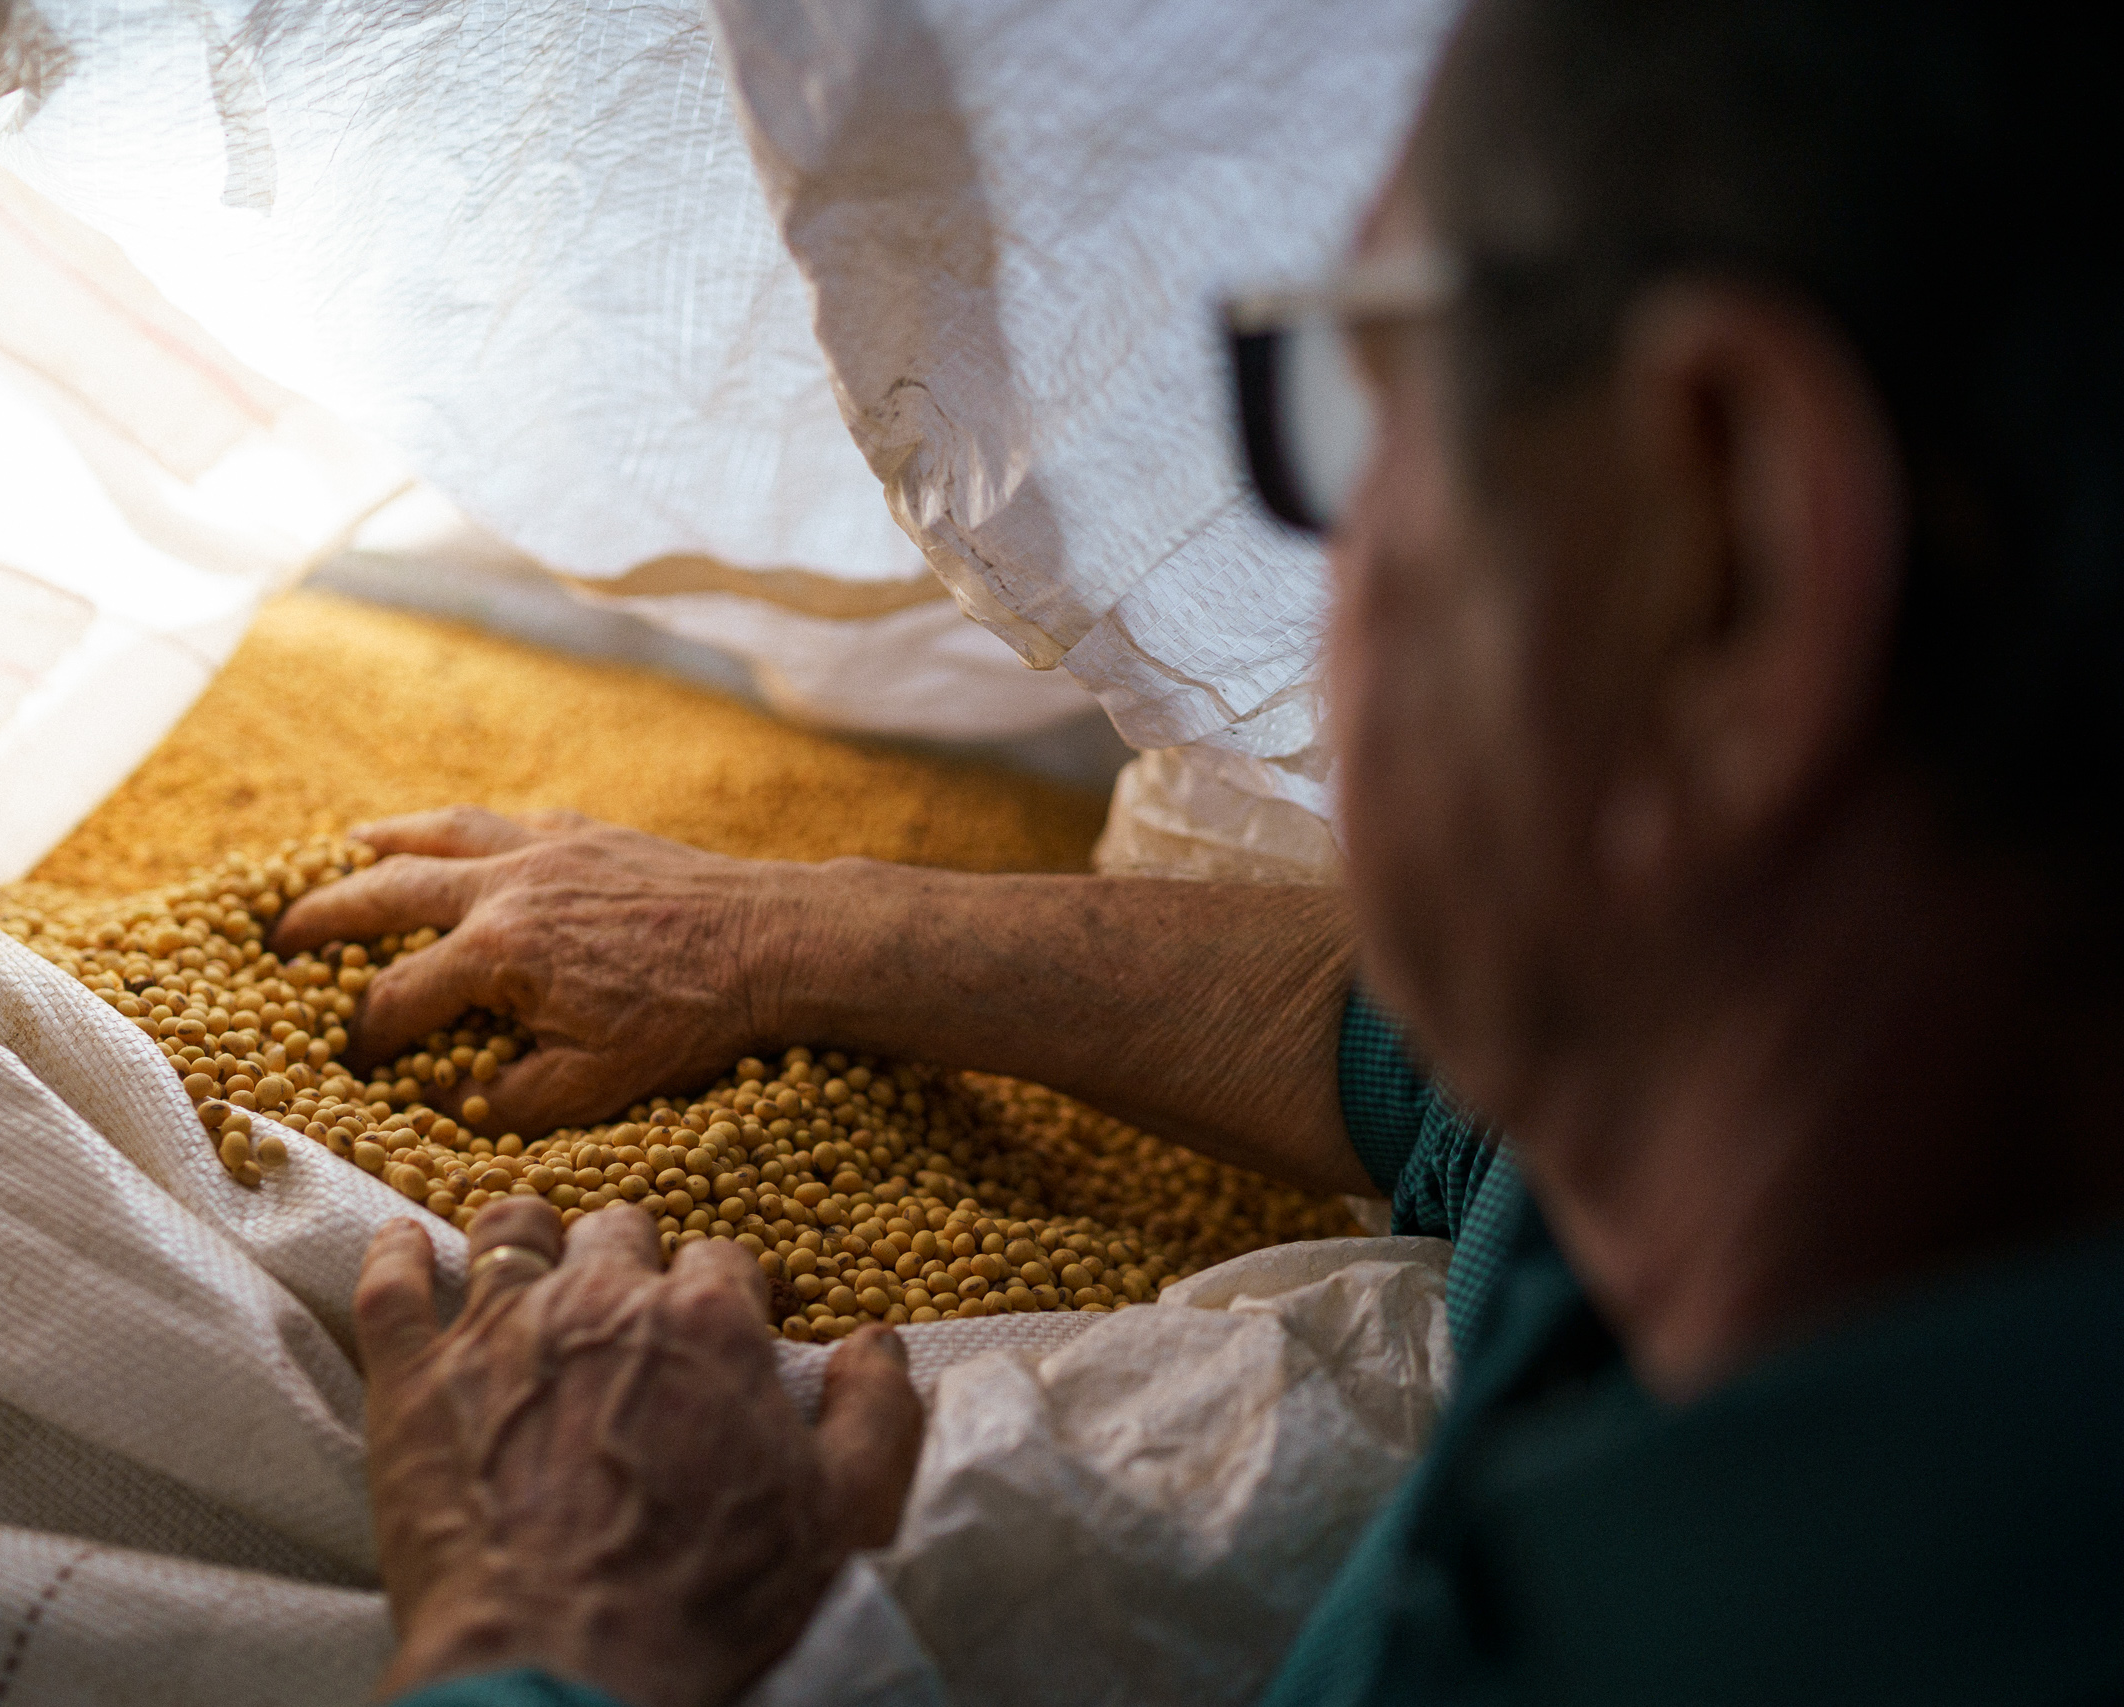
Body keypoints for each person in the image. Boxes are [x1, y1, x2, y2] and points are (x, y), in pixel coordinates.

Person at [274, 0, 2124, 1699]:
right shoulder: (1832, 1139)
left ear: (1726, 556)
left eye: (1356, 393)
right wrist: (781, 936)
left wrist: (560, 1641)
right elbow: (1418, 1069)